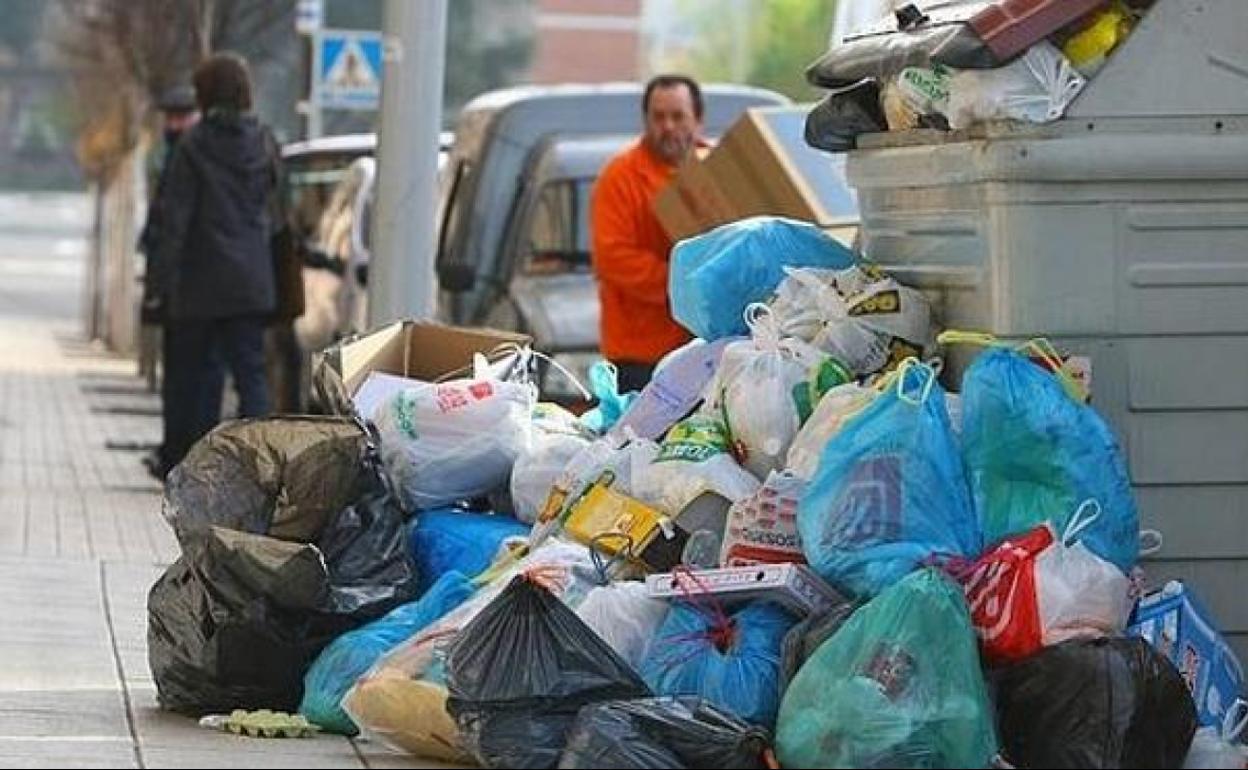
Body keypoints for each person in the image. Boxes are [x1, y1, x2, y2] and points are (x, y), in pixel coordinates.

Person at [148, 52, 281, 474]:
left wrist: (159, 282)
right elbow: (276, 209)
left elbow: (176, 222)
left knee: (195, 378)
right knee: (251, 376)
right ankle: (261, 466)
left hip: (200, 282)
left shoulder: (193, 145)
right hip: (251, 282)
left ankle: (194, 465)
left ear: (204, 94)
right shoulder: (264, 140)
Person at [589, 74, 705, 393]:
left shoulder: (717, 171)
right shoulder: (620, 176)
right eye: (658, 117)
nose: (668, 126)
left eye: (678, 116)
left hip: (704, 349)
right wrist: (683, 284)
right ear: (646, 121)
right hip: (640, 356)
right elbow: (613, 258)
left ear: (698, 120)